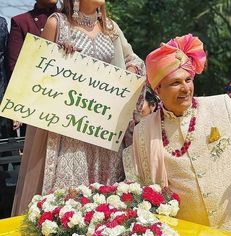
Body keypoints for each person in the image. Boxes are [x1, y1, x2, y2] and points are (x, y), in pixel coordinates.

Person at [12, 0, 145, 216]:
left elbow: (134, 59)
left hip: (103, 130)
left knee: (106, 203)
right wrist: (61, 58)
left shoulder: (110, 27)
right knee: (71, 204)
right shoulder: (57, 23)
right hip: (69, 133)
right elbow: (39, 71)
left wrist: (130, 68)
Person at [128, 34, 231, 232]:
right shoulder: (143, 132)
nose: (186, 88)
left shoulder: (224, 107)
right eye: (175, 83)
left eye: (188, 79)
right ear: (158, 89)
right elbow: (142, 187)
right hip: (185, 230)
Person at [7, 0, 58, 137]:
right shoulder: (21, 21)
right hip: (34, 105)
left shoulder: (71, 20)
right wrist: (16, 105)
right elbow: (15, 68)